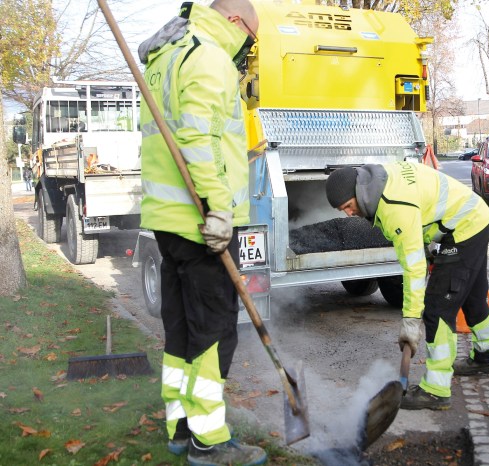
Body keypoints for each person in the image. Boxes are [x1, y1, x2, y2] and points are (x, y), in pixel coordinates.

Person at [138, 1, 265, 465]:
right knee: (213, 333)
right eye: (250, 39)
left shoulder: (165, 56)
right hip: (201, 222)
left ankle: (179, 427)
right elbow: (197, 138)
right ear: (235, 23)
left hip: (167, 220)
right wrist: (218, 209)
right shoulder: (208, 55)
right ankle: (209, 441)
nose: (246, 48)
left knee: (180, 330)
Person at [325, 162, 489, 410]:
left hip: (464, 227)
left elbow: (413, 267)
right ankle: (487, 355)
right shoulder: (380, 180)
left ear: (359, 193)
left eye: (348, 206)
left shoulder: (393, 208)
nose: (348, 213)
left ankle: (437, 390)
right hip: (474, 217)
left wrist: (410, 319)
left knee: (438, 309)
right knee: (472, 296)